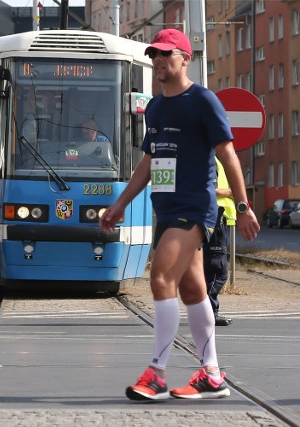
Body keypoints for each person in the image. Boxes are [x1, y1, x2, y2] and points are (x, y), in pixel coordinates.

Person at [99, 29, 260, 401]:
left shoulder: (202, 100)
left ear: (185, 58)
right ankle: (212, 374)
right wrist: (120, 204)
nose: (158, 61)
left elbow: (228, 154)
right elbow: (149, 162)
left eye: (166, 55)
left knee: (160, 276)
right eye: (154, 55)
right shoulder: (155, 106)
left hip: (194, 208)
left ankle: (156, 373)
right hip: (167, 209)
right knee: (192, 289)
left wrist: (242, 205)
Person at [203, 157, 235, 327]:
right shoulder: (210, 158)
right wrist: (232, 192)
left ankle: (207, 313)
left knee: (211, 270)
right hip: (215, 219)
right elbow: (210, 190)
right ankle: (208, 314)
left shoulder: (211, 157)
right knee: (217, 270)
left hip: (214, 218)